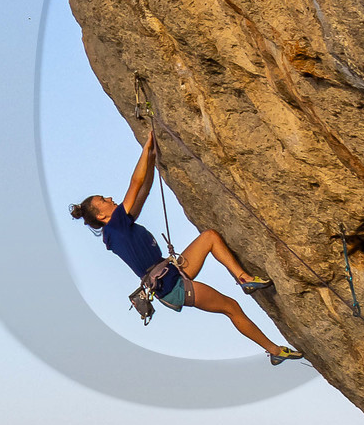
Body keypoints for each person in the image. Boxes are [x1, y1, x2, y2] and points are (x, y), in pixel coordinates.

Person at [70, 125, 304, 365]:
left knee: (210, 237)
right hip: (172, 287)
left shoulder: (120, 227)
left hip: (171, 272)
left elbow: (144, 189)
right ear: (101, 216)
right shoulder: (114, 227)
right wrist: (146, 147)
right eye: (103, 200)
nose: (109, 199)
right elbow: (135, 183)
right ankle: (274, 350)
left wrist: (151, 159)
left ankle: (243, 278)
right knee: (230, 307)